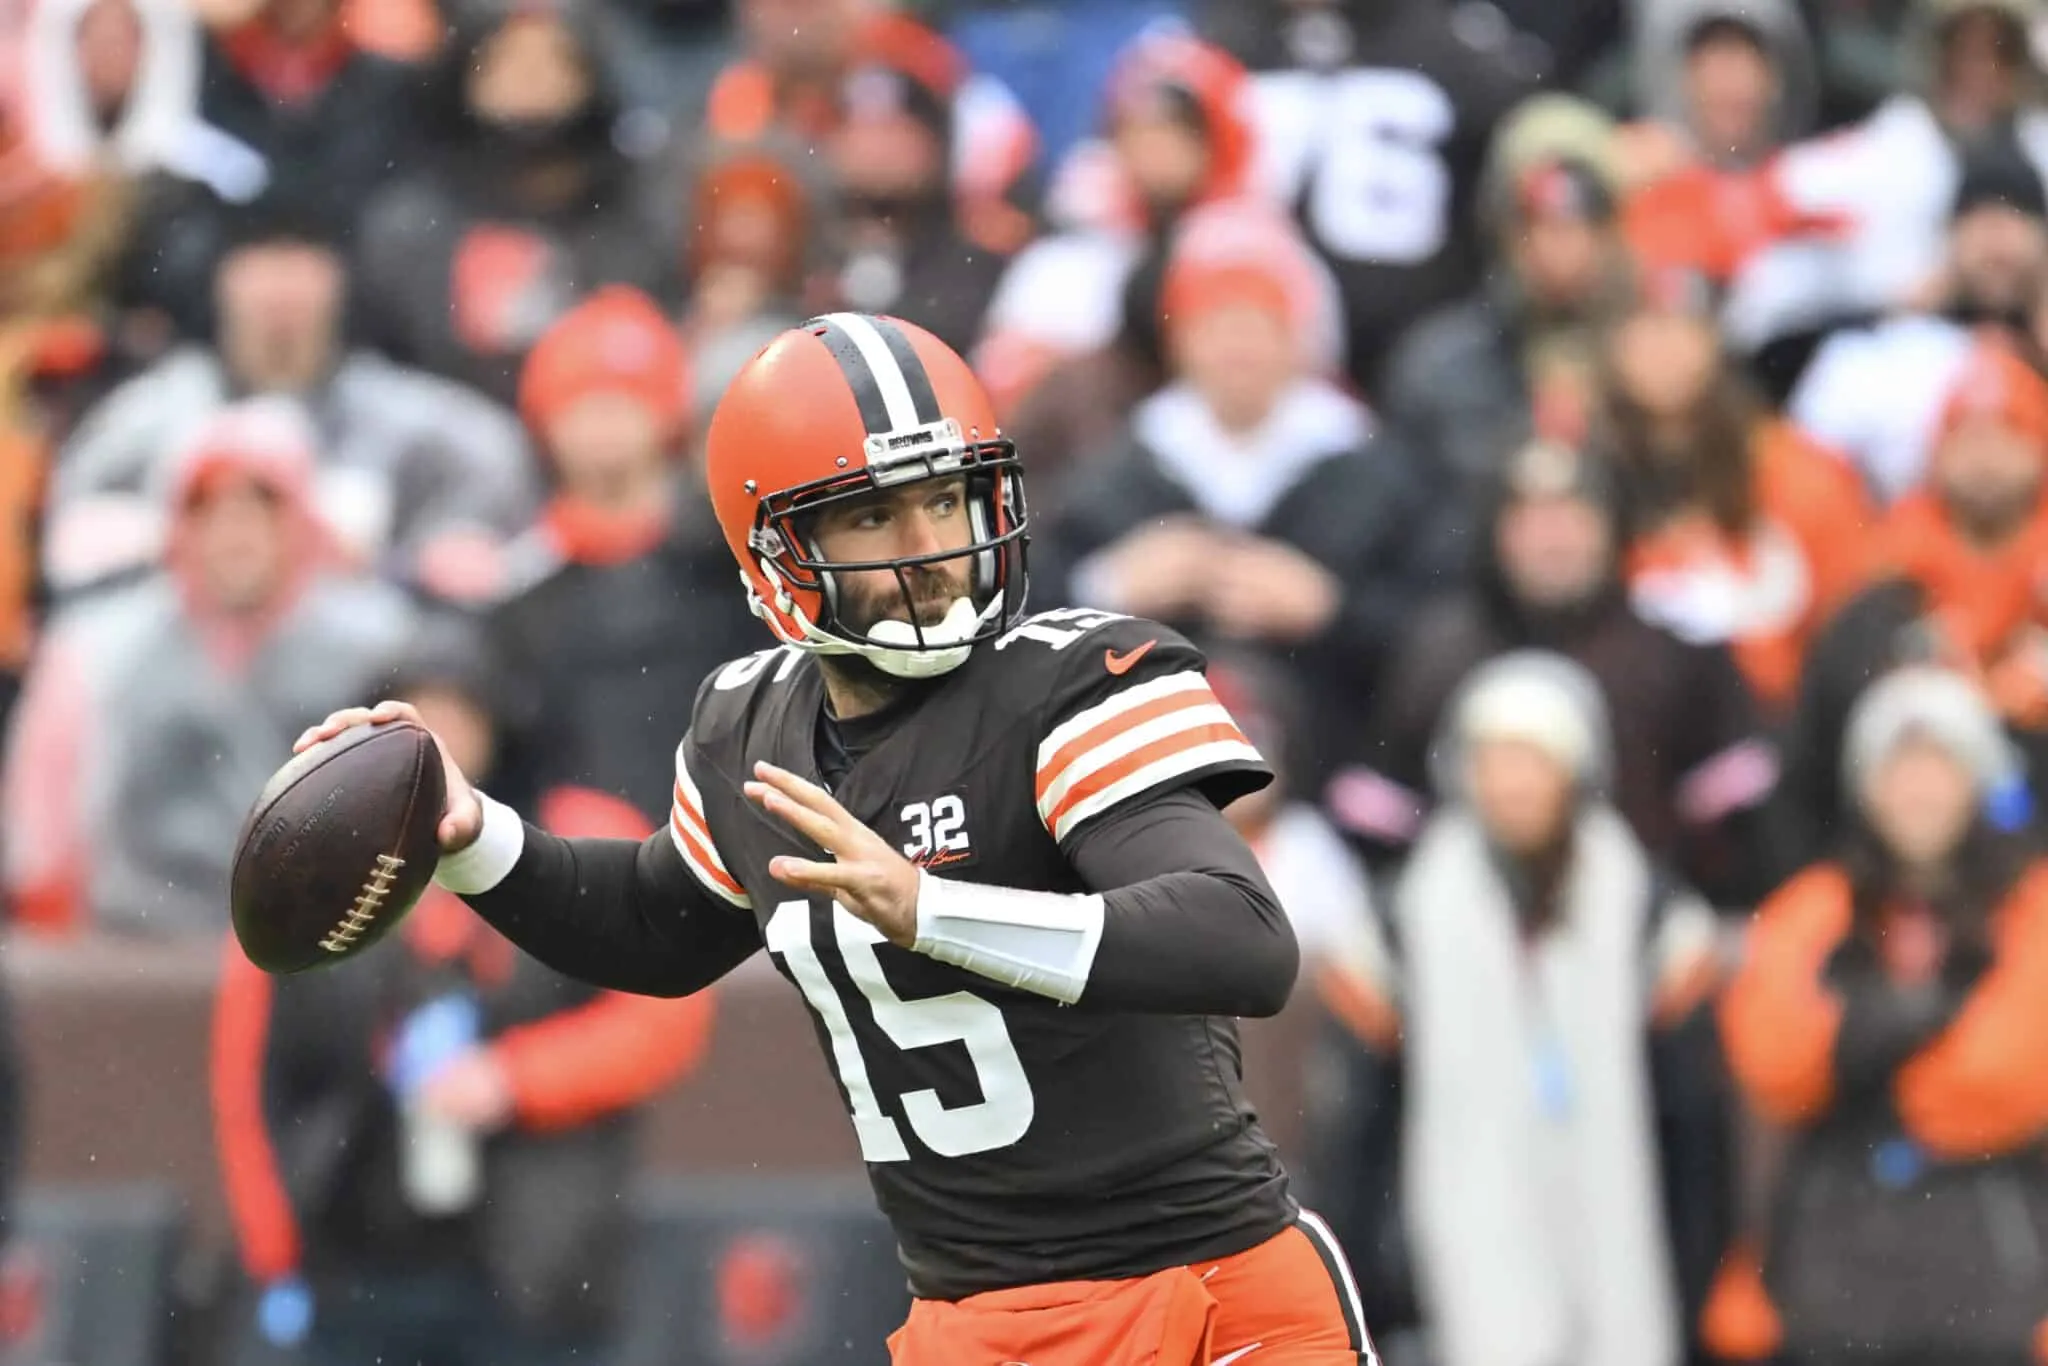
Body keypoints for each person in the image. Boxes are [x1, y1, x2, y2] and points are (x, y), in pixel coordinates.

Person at [298, 312, 1377, 1366]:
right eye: (873, 517)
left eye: (947, 498)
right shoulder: (746, 725)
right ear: (772, 550)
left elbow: (1239, 937)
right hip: (971, 1317)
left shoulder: (1067, 685)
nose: (932, 551)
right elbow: (656, 929)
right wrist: (468, 832)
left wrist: (933, 912)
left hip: (1202, 1293)